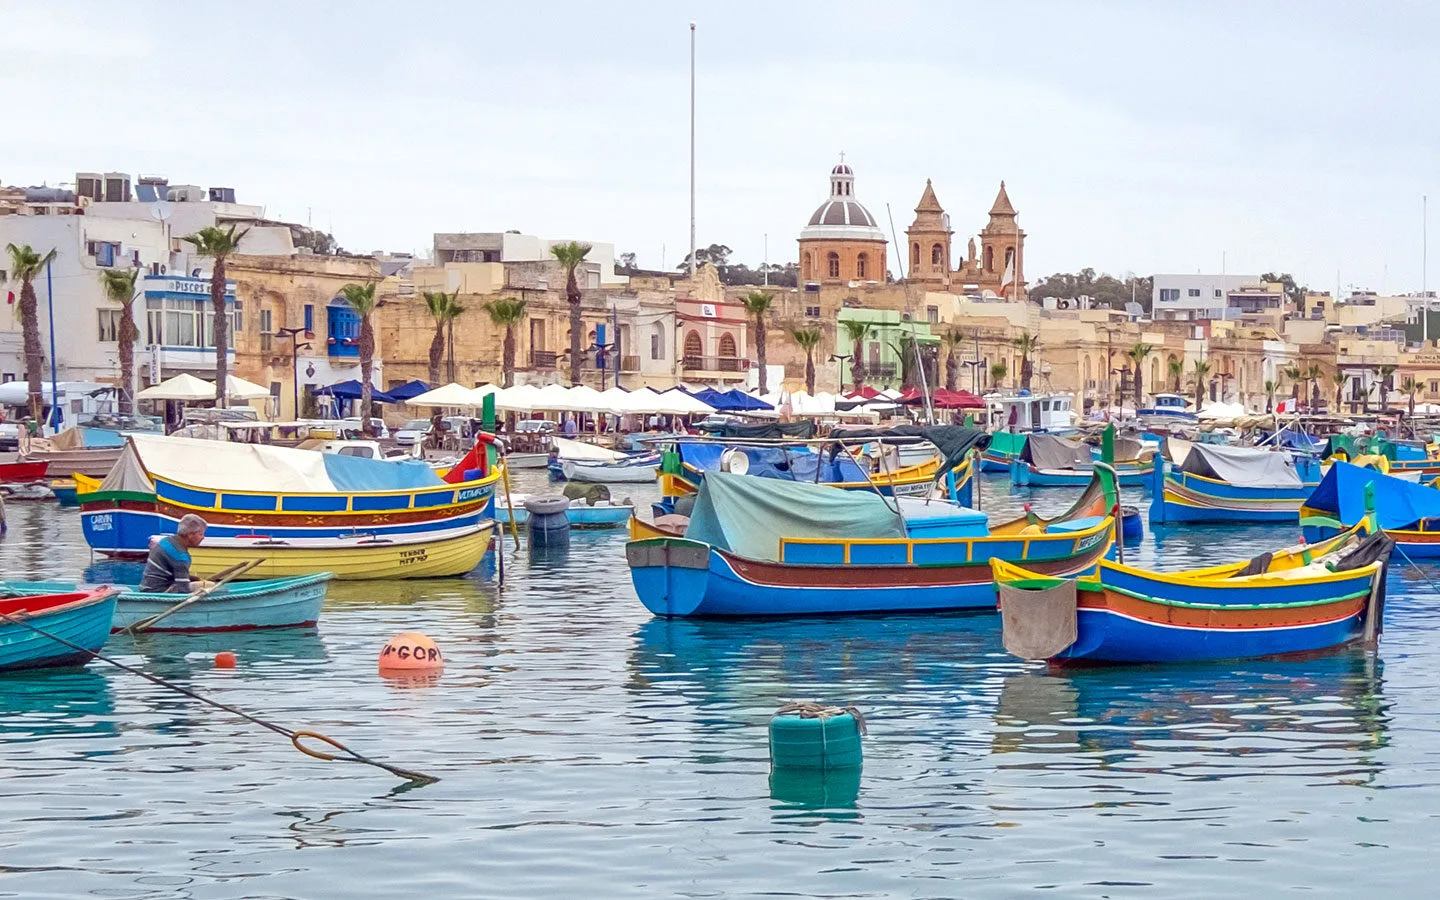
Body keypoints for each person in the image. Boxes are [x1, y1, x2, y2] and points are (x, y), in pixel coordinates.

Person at [139, 514, 207, 593]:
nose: (203, 537)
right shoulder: (180, 556)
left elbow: (173, 573)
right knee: (210, 586)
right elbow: (183, 590)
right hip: (159, 591)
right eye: (200, 534)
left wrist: (196, 579)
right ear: (190, 535)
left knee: (200, 582)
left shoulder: (166, 541)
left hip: (147, 587)